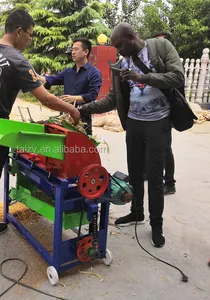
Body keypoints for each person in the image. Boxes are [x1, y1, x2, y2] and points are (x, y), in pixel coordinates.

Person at [0, 9, 80, 240]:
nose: (29, 41)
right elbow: (46, 99)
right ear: (19, 31)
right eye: (29, 35)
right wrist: (71, 108)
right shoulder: (18, 61)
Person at [79, 23, 185, 248]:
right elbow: (111, 99)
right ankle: (136, 212)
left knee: (155, 178)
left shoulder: (161, 47)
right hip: (134, 124)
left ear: (131, 36)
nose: (118, 51)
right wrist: (81, 108)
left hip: (158, 124)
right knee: (135, 175)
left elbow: (177, 77)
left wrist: (143, 77)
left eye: (119, 45)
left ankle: (157, 224)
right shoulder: (121, 64)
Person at [38, 37, 102, 135]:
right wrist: (38, 77)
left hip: (82, 121)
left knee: (80, 148)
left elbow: (92, 95)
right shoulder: (68, 72)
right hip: (64, 119)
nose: (73, 52)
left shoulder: (94, 73)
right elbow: (52, 80)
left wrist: (74, 99)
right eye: (72, 50)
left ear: (86, 52)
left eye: (76, 49)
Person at [152, 31, 177, 195]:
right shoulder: (151, 62)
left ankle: (170, 183)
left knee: (165, 148)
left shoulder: (173, 67)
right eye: (157, 42)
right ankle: (150, 174)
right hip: (149, 112)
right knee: (148, 146)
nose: (160, 45)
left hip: (165, 112)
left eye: (163, 42)